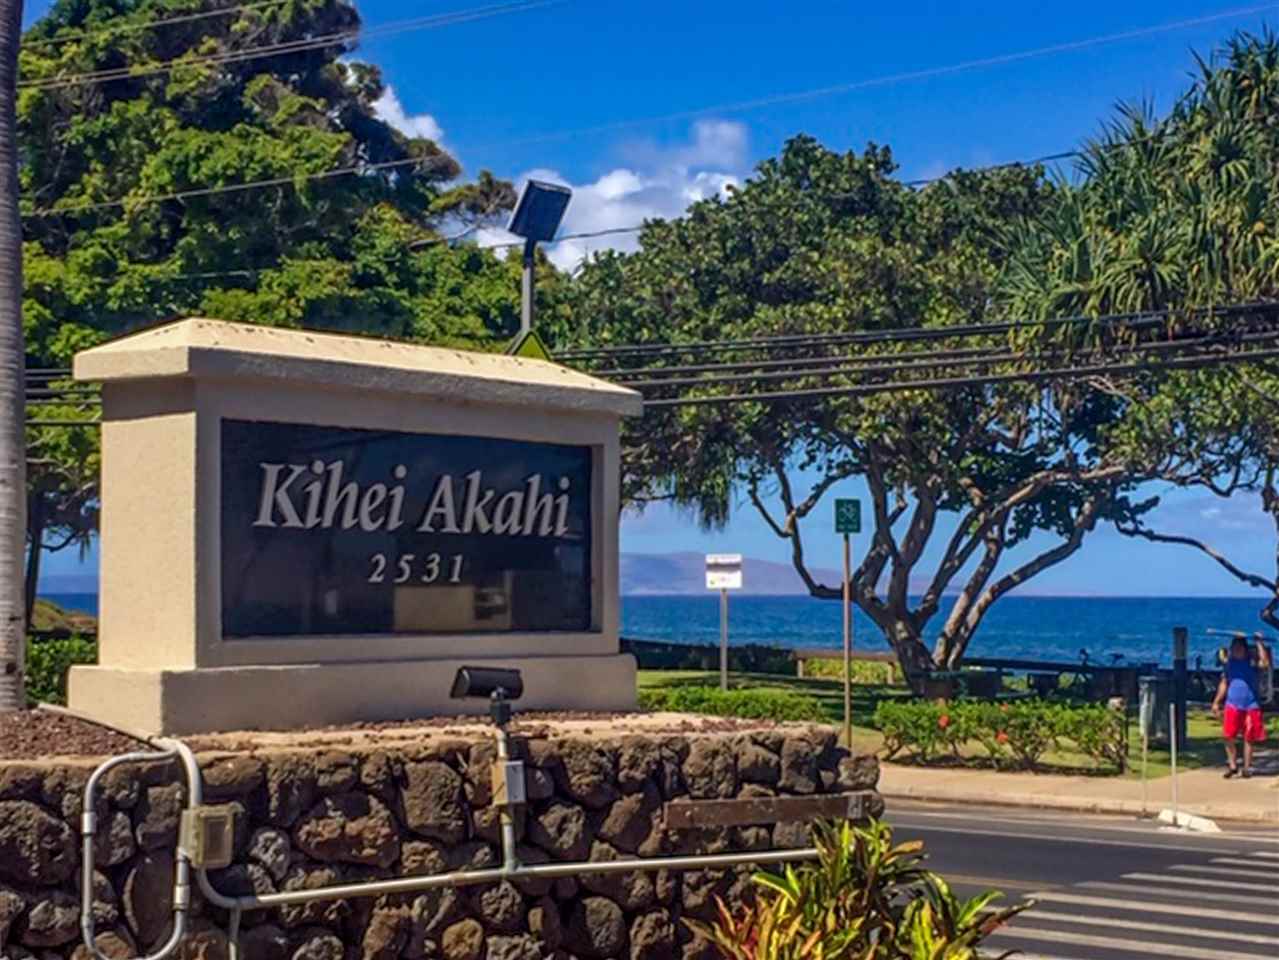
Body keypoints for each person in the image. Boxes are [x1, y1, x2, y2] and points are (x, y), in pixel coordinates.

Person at [1212, 633, 1270, 778]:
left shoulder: (1251, 662)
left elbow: (1265, 663)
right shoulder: (1229, 664)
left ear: (1245, 649)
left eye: (1239, 648)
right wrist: (1217, 701)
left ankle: (1247, 767)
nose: (1237, 651)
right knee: (1228, 736)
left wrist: (1259, 643)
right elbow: (1224, 683)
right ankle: (1232, 765)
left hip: (1251, 705)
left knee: (1249, 737)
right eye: (1234, 648)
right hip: (1232, 704)